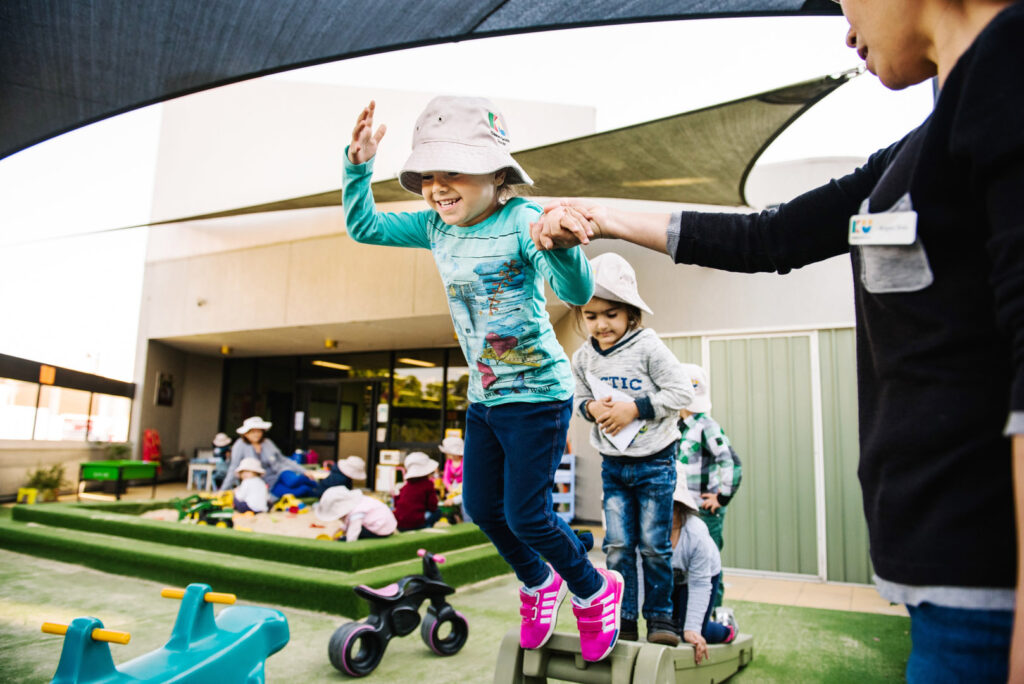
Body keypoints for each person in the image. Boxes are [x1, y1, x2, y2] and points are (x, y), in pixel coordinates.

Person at [531, 1, 1024, 678]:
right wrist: (599, 216)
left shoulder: (1012, 71)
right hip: (939, 584)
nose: (847, 28)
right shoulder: (914, 152)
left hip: (993, 600)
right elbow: (770, 236)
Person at [344, 96, 622, 662]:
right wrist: (358, 166)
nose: (437, 186)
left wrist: (564, 248)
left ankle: (595, 589)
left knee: (527, 513)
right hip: (485, 398)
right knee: (483, 507)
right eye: (428, 174)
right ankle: (539, 583)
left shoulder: (525, 222)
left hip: (538, 395)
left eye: (454, 172)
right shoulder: (433, 226)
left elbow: (573, 294)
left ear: (498, 176)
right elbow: (363, 226)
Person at [571, 252, 694, 645]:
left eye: (610, 314)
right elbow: (578, 398)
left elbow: (681, 392)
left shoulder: (648, 347)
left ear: (630, 314)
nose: (601, 324)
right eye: (591, 316)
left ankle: (660, 619)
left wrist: (633, 409)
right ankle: (624, 619)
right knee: (618, 546)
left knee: (655, 546)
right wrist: (590, 408)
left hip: (656, 463)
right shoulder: (583, 357)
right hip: (613, 465)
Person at [677, 363, 742, 609]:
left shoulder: (706, 425)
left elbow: (732, 462)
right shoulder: (679, 426)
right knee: (688, 562)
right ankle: (689, 611)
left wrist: (721, 497)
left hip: (705, 510)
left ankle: (712, 611)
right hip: (685, 507)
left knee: (710, 560)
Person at [669, 463, 737, 665]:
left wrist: (692, 630)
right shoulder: (649, 529)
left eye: (673, 505)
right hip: (673, 576)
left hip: (702, 577)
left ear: (681, 507)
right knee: (669, 628)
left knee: (692, 630)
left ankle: (727, 627)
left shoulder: (696, 533)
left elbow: (700, 584)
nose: (666, 511)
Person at [219, 416, 311, 500]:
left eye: (259, 431)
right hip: (266, 481)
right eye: (253, 431)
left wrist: (304, 471)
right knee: (296, 492)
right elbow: (233, 467)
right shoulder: (240, 445)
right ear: (246, 434)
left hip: (281, 472)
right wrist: (223, 490)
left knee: (294, 480)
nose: (257, 434)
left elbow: (283, 459)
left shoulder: (267, 442)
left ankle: (316, 485)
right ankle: (314, 490)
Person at [314, 486, 397, 542]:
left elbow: (354, 529)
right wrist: (342, 528)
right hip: (387, 526)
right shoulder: (361, 501)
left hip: (381, 529)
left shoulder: (356, 513)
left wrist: (347, 542)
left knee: (349, 534)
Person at [393, 451, 442, 530]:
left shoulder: (405, 486)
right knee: (438, 512)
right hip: (416, 522)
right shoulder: (428, 485)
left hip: (400, 522)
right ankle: (426, 528)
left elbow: (396, 501)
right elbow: (432, 506)